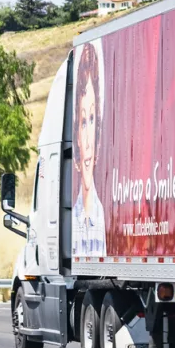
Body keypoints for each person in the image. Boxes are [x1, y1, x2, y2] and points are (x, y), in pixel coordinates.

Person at [72, 42, 106, 257]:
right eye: (83, 121)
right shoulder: (72, 219)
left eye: (92, 120)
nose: (86, 140)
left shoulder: (101, 218)